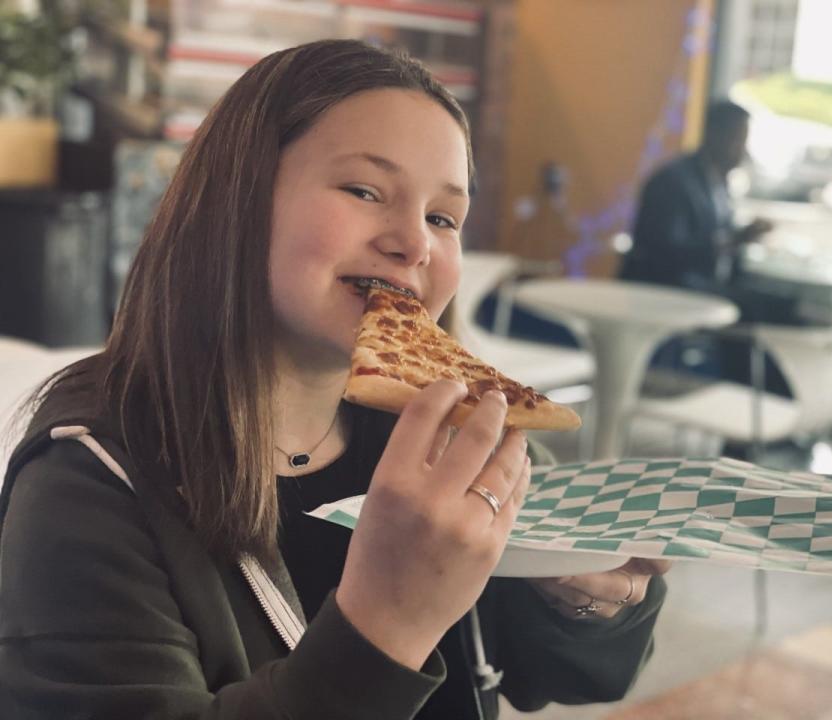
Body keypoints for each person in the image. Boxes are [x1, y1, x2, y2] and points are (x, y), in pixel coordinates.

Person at [0, 40, 670, 719]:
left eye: (444, 217)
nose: (415, 242)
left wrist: (587, 601)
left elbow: (577, 672)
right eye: (364, 190)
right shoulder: (85, 484)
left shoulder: (453, 439)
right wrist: (389, 622)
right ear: (237, 200)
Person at [618, 99, 773, 298]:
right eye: (737, 140)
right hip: (668, 295)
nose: (742, 152)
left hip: (702, 289)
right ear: (714, 134)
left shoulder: (717, 183)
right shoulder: (673, 182)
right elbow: (666, 256)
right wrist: (733, 241)